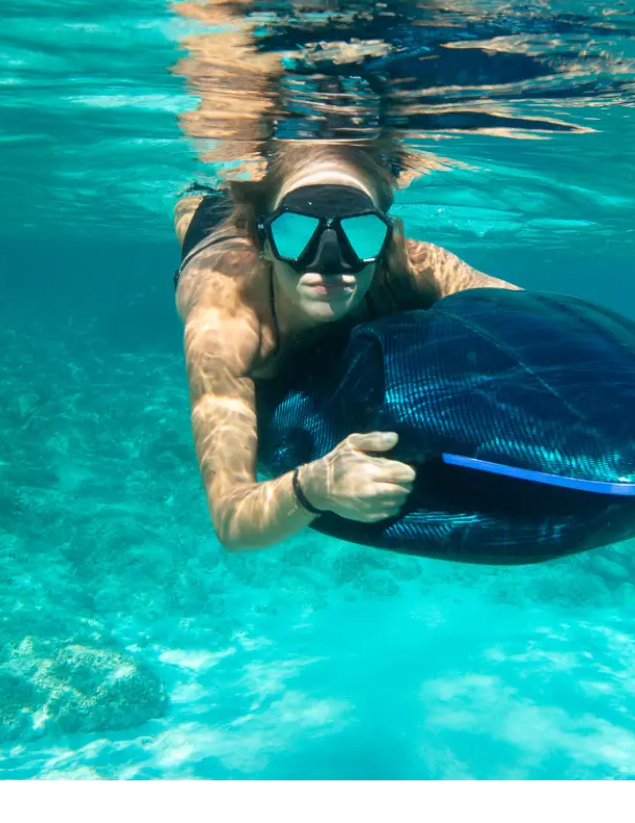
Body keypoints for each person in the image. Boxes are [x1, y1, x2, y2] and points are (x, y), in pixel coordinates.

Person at [174, 142, 521, 553]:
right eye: (295, 232)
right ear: (263, 240)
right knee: (203, 204)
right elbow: (233, 524)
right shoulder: (224, 326)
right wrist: (315, 487)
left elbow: (530, 312)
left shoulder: (409, 265)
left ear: (387, 237)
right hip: (212, 242)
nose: (330, 261)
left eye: (359, 231)